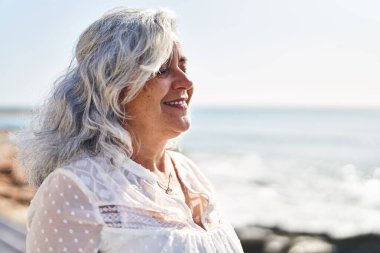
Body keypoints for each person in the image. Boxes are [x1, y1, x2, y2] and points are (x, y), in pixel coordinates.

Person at [18, 7, 244, 253]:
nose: (186, 83)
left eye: (183, 67)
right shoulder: (77, 188)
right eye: (161, 70)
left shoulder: (189, 174)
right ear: (113, 87)